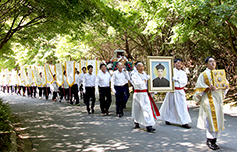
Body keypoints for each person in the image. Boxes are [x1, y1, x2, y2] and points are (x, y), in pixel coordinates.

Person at [193, 57, 229, 150]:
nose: (213, 63)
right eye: (210, 62)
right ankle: (209, 140)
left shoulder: (220, 73)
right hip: (208, 99)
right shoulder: (203, 74)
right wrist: (208, 87)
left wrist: (224, 87)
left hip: (218, 99)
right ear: (206, 64)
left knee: (218, 118)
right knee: (210, 120)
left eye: (214, 61)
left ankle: (215, 140)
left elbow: (226, 84)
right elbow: (199, 87)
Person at [159, 58, 192, 129]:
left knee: (182, 106)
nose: (179, 64)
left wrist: (177, 80)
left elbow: (185, 81)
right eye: (177, 63)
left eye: (180, 63)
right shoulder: (171, 71)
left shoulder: (183, 73)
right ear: (174, 64)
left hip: (180, 91)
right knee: (170, 106)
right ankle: (168, 119)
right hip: (172, 91)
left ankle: (184, 122)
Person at [131, 62, 160, 132]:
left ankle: (149, 125)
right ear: (137, 67)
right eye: (140, 66)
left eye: (142, 66)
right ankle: (136, 121)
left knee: (147, 109)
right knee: (137, 109)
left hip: (145, 94)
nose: (141, 68)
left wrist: (152, 90)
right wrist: (145, 80)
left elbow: (149, 85)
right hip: (138, 94)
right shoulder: (134, 75)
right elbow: (138, 84)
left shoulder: (145, 75)